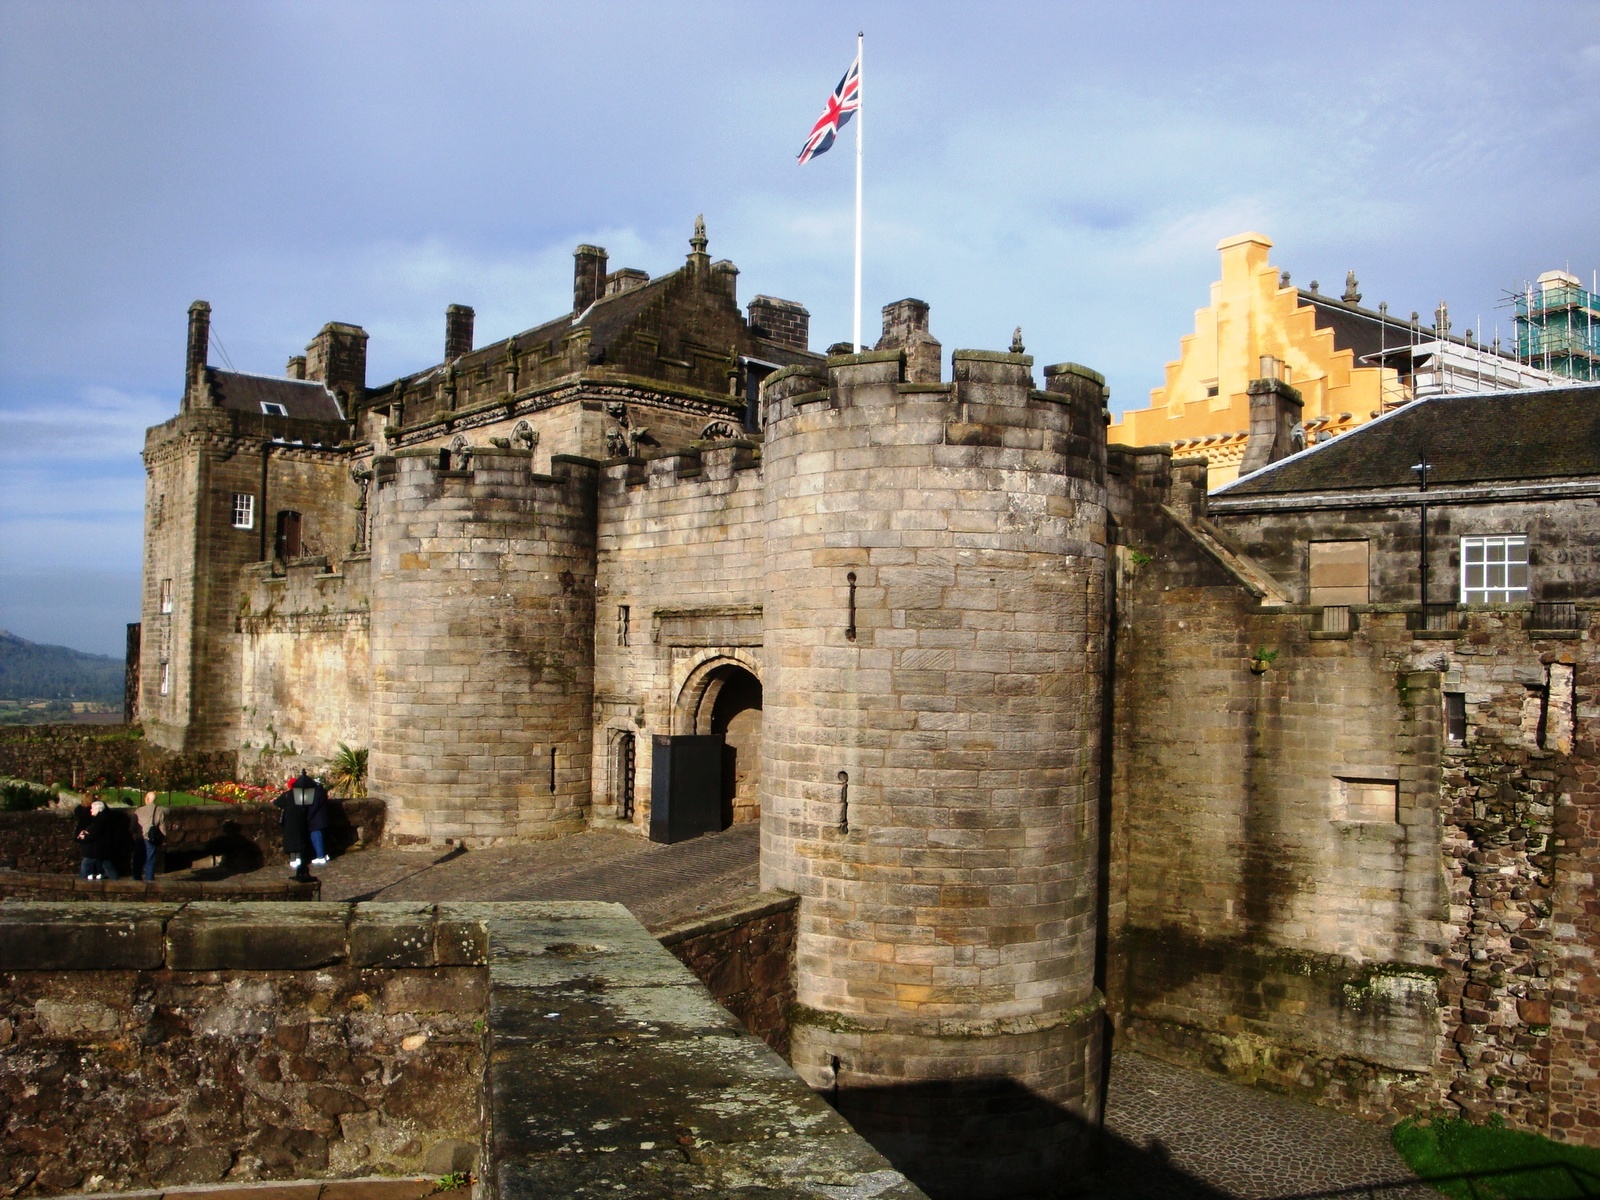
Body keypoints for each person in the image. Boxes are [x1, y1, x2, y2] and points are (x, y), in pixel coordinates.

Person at [274, 771, 314, 873]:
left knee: (291, 839)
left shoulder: (287, 795)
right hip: (300, 819)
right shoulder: (302, 794)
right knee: (300, 838)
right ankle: (299, 858)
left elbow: (276, 803)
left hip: (289, 820)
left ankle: (293, 858)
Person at [79, 799, 121, 880]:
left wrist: (85, 836)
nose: (91, 810)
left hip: (98, 848)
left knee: (86, 863)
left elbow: (95, 833)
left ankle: (80, 882)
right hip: (103, 848)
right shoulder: (103, 817)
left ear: (98, 810)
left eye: (92, 808)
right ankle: (115, 880)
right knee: (107, 865)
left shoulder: (100, 819)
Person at [134, 791, 166, 881]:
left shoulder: (139, 811)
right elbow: (162, 828)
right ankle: (149, 881)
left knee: (138, 861)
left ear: (147, 799)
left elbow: (132, 826)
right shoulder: (159, 811)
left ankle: (136, 880)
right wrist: (163, 840)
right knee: (150, 860)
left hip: (140, 838)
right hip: (151, 839)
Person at [307, 775, 332, 866]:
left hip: (317, 820)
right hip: (322, 818)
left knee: (316, 837)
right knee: (321, 837)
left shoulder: (316, 793)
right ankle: (324, 855)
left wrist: (308, 816)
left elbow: (314, 806)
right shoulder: (322, 791)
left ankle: (321, 856)